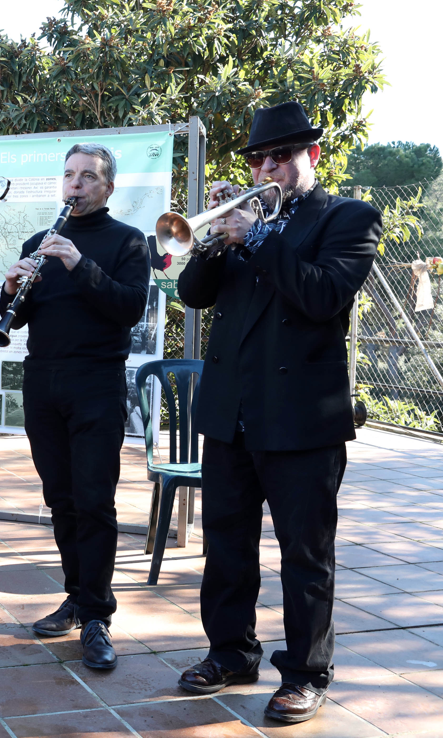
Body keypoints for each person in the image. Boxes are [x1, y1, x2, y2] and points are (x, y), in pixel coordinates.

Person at [175, 101, 381, 723]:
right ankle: (230, 653)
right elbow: (193, 294)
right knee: (226, 547)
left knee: (305, 556)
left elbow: (324, 295)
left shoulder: (348, 217)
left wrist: (258, 237)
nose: (268, 168)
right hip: (231, 414)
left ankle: (306, 673)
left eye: (281, 156)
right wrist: (214, 241)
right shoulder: (245, 224)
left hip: (301, 419)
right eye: (259, 159)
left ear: (310, 156)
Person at [0, 143, 149, 670]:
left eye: (87, 176)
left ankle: (97, 615)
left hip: (96, 383)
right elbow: (17, 317)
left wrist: (80, 264)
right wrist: (11, 289)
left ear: (108, 187)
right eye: (69, 175)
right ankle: (76, 596)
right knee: (60, 499)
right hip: (43, 382)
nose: (75, 184)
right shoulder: (39, 242)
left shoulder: (127, 241)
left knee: (94, 501)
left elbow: (129, 308)